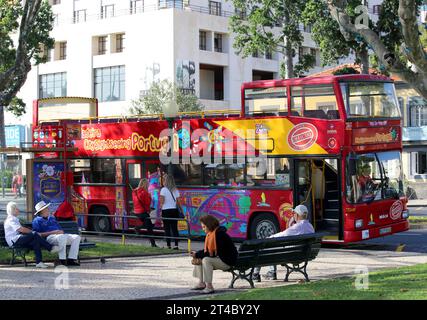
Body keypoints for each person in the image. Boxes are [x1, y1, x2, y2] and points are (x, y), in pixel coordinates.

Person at [252, 204, 315, 281]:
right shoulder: (310, 227)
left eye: (294, 213)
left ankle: (256, 274)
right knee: (273, 248)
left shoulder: (297, 227)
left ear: (297, 215)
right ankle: (271, 273)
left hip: (290, 255)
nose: (293, 215)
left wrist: (268, 238)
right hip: (304, 255)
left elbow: (283, 234)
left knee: (262, 248)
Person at [4, 202, 60, 268]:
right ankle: (50, 248)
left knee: (35, 241)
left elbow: (20, 230)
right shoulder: (11, 219)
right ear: (12, 210)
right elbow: (20, 229)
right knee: (34, 234)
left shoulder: (14, 219)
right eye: (17, 209)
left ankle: (39, 262)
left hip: (17, 239)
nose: (18, 210)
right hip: (14, 241)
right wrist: (33, 232)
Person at [190, 215, 238, 294]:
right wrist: (197, 254)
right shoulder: (212, 234)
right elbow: (209, 251)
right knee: (200, 258)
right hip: (222, 259)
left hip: (228, 261)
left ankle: (209, 286)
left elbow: (210, 253)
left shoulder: (219, 235)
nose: (203, 229)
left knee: (206, 260)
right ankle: (201, 283)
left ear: (209, 225)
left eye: (204, 227)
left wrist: (197, 254)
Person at [32, 201, 81, 266]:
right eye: (46, 208)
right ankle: (62, 261)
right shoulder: (36, 221)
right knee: (62, 237)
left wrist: (61, 231)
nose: (48, 209)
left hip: (59, 236)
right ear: (41, 211)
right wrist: (53, 232)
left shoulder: (52, 218)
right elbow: (38, 234)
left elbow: (60, 229)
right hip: (49, 238)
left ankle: (71, 259)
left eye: (47, 208)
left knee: (76, 237)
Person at [131, 178, 157, 247]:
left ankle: (153, 243)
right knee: (150, 227)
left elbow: (135, 201)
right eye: (148, 184)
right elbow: (148, 203)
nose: (148, 186)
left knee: (149, 226)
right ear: (145, 184)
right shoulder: (144, 193)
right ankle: (138, 228)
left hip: (136, 211)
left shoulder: (134, 191)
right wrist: (150, 197)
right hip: (143, 212)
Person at [160, 174, 181, 250]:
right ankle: (176, 245)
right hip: (174, 210)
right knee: (175, 228)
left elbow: (162, 202)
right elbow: (179, 202)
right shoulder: (175, 190)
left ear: (166, 181)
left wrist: (160, 209)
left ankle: (168, 245)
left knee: (167, 228)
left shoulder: (163, 190)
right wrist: (181, 210)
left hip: (166, 210)